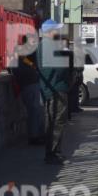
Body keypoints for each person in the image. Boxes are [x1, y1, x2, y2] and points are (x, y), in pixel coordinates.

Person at [37, 19, 71, 165]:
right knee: (56, 122)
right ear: (50, 31)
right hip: (56, 88)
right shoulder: (50, 45)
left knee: (52, 122)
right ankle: (53, 154)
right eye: (57, 30)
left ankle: (52, 153)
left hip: (50, 89)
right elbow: (61, 68)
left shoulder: (43, 45)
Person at [10, 36, 45, 145]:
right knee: (34, 112)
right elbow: (22, 73)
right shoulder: (18, 60)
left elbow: (33, 66)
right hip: (29, 86)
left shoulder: (25, 59)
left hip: (33, 85)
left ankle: (38, 135)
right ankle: (34, 136)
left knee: (37, 112)